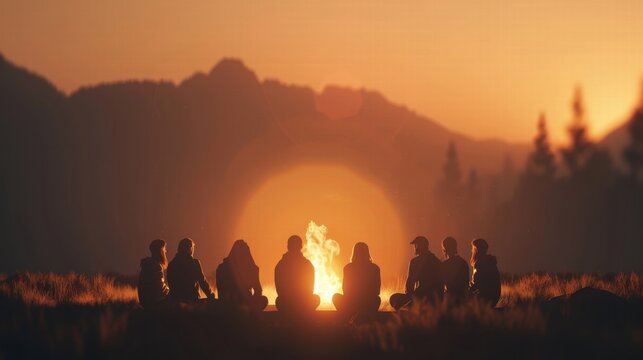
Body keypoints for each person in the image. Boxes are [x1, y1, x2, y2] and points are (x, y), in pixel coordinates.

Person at [389, 236, 443, 310]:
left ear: (418, 246)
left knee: (394, 298)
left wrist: (409, 295)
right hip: (435, 298)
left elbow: (410, 282)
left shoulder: (415, 262)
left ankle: (409, 307)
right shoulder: (436, 261)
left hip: (421, 296)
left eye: (415, 245)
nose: (414, 248)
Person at [332, 242, 381, 319]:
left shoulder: (348, 268)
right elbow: (377, 291)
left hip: (352, 303)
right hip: (367, 303)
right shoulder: (375, 268)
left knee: (336, 297)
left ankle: (348, 317)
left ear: (354, 253)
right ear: (368, 253)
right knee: (377, 300)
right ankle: (363, 317)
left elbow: (345, 290)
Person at [216, 239, 268, 311]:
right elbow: (258, 291)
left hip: (227, 304)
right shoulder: (250, 268)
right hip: (238, 302)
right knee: (263, 300)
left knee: (263, 300)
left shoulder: (222, 267)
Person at [274, 235, 320, 314]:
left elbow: (279, 289)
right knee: (315, 299)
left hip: (288, 303)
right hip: (300, 303)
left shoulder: (280, 265)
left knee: (279, 301)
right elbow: (310, 289)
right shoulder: (307, 264)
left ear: (288, 246)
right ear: (301, 247)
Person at [167, 238, 215, 303]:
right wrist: (210, 294)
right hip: (192, 301)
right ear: (190, 249)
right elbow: (202, 281)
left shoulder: (171, 265)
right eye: (192, 248)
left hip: (176, 302)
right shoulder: (194, 263)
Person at [138, 239, 170, 308]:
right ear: (161, 251)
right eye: (164, 249)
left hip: (145, 301)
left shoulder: (147, 265)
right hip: (154, 302)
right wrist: (171, 292)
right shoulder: (156, 266)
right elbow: (160, 290)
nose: (165, 251)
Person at [469, 238, 501, 307]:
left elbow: (476, 285)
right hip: (495, 297)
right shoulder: (491, 262)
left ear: (476, 250)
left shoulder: (479, 264)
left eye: (473, 249)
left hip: (485, 298)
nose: (472, 251)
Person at [441, 236, 469, 302]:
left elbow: (441, 284)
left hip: (450, 298)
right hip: (463, 298)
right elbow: (466, 282)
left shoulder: (445, 264)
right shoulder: (463, 263)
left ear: (444, 249)